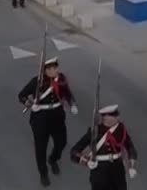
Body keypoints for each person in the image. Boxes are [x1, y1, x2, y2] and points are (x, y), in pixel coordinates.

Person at [18, 58, 79, 186]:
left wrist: (72, 104)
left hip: (57, 116)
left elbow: (67, 93)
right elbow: (21, 95)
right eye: (49, 69)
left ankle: (53, 159)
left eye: (55, 68)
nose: (53, 71)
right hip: (40, 118)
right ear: (44, 70)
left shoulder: (61, 79)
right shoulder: (37, 81)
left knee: (61, 142)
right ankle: (43, 173)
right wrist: (29, 104)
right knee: (41, 148)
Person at [70, 104, 138, 190]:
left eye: (116, 114)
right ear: (105, 117)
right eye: (114, 115)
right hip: (99, 171)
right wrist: (87, 162)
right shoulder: (94, 131)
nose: (117, 117)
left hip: (117, 171)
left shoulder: (120, 129)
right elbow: (74, 152)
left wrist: (131, 166)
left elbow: (130, 147)